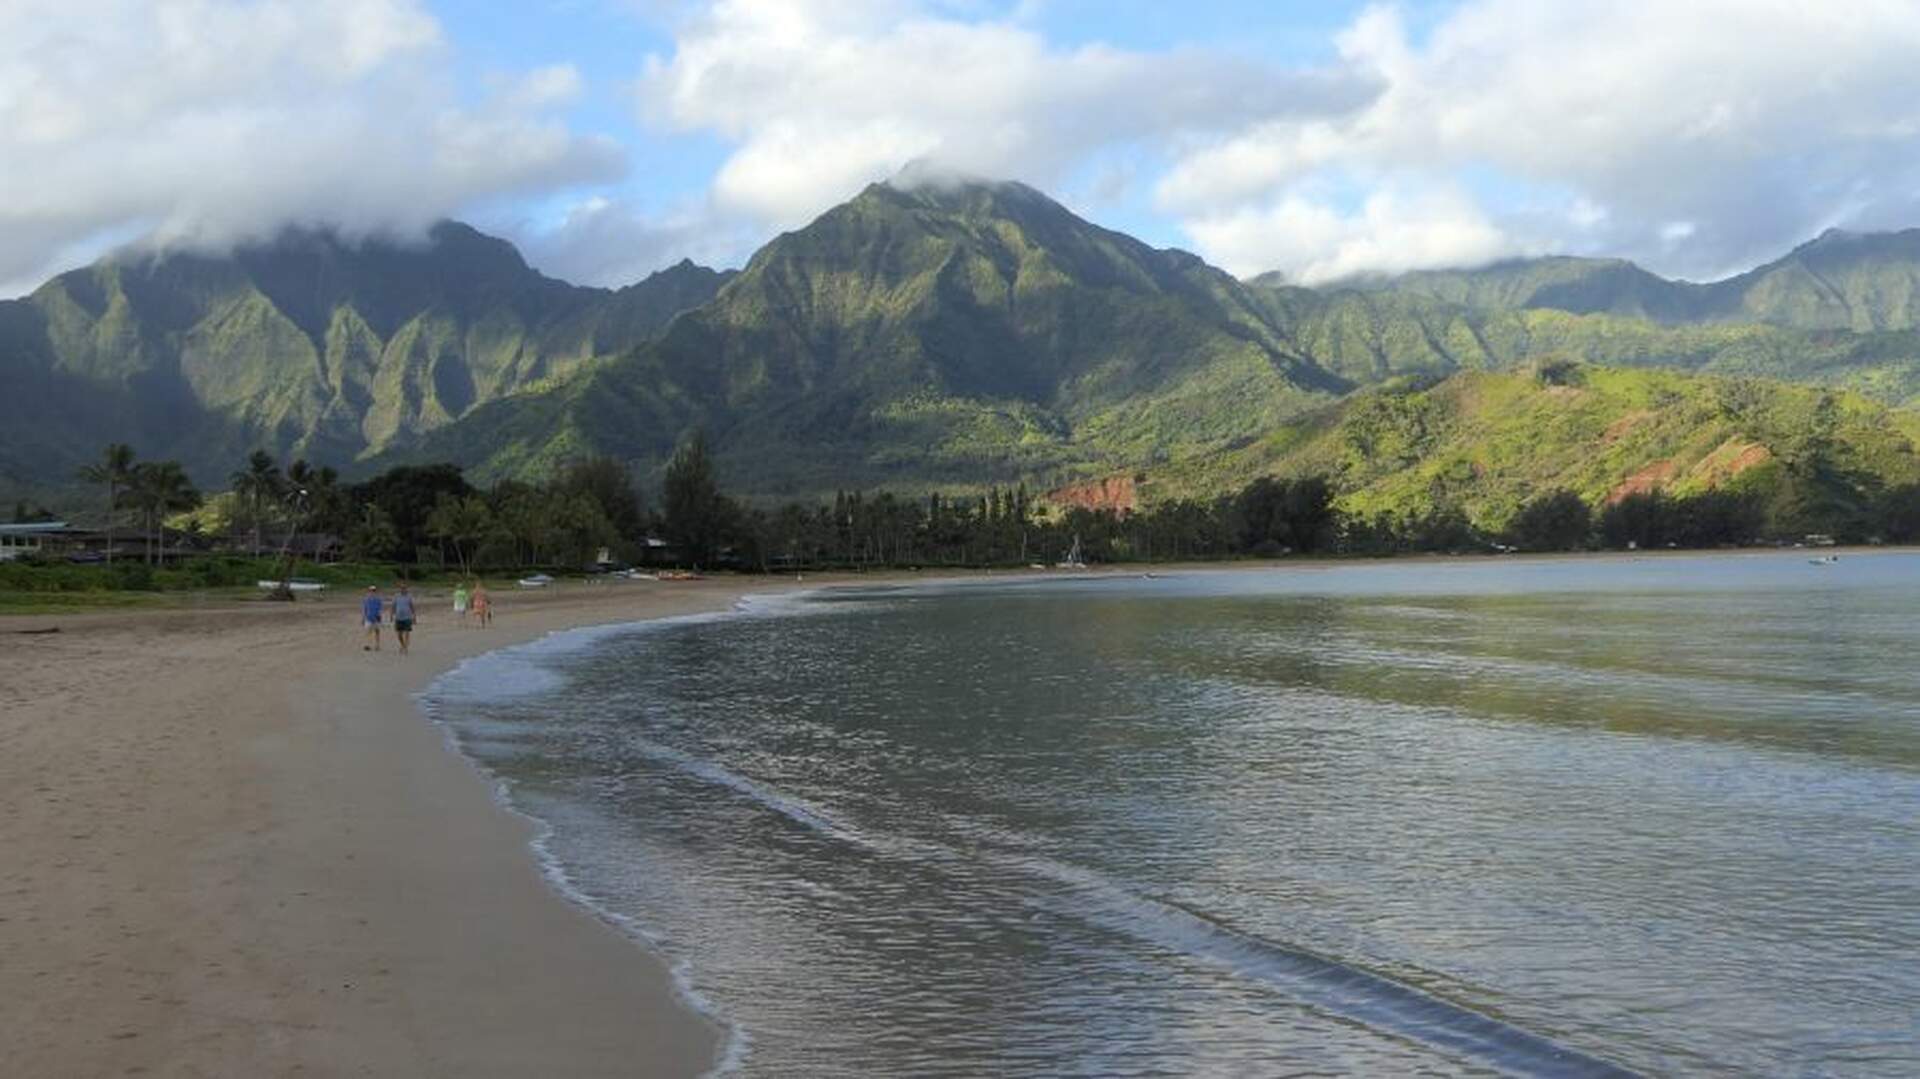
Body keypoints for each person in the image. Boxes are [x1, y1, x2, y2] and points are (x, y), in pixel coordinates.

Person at [392, 582, 417, 655]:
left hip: (407, 617)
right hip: (398, 617)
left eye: (404, 588)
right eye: (402, 588)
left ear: (406, 589)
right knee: (399, 634)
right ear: (400, 589)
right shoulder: (396, 596)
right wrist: (391, 615)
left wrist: (414, 616)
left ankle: (405, 647)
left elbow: (412, 607)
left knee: (407, 632)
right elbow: (393, 606)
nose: (403, 589)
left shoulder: (409, 597)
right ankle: (402, 645)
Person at [361, 585, 384, 651]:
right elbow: (364, 609)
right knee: (368, 632)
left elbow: (380, 609)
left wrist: (379, 616)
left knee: (377, 632)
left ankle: (377, 645)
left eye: (374, 590)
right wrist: (363, 618)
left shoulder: (378, 599)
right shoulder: (366, 599)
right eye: (371, 590)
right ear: (369, 591)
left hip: (376, 618)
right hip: (368, 618)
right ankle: (368, 645)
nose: (372, 592)